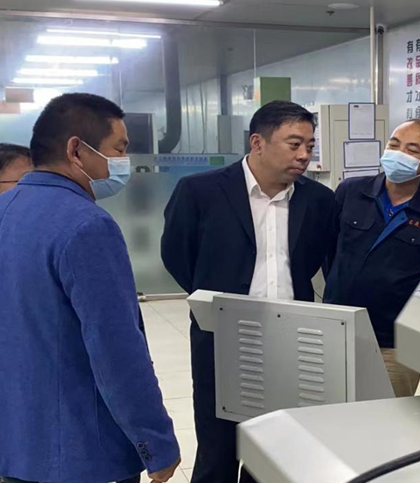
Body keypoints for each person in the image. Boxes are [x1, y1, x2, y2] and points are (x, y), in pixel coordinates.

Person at [0, 93, 181, 484]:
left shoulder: (6, 210)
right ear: (77, 151)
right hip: (81, 453)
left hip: (15, 445)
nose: (123, 162)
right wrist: (156, 443)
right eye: (119, 149)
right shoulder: (86, 225)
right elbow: (116, 350)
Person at [161, 100, 337, 483]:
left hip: (292, 341)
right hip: (222, 338)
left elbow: (319, 260)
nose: (304, 155)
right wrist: (214, 299)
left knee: (276, 451)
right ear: (258, 143)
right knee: (218, 451)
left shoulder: (319, 201)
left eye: (310, 146)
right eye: (294, 144)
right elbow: (177, 256)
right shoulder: (200, 191)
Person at [324, 119, 420, 398]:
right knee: (328, 412)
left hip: (395, 346)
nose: (399, 154)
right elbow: (329, 250)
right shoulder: (350, 192)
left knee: (387, 418)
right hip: (336, 330)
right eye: (394, 145)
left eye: (412, 150)